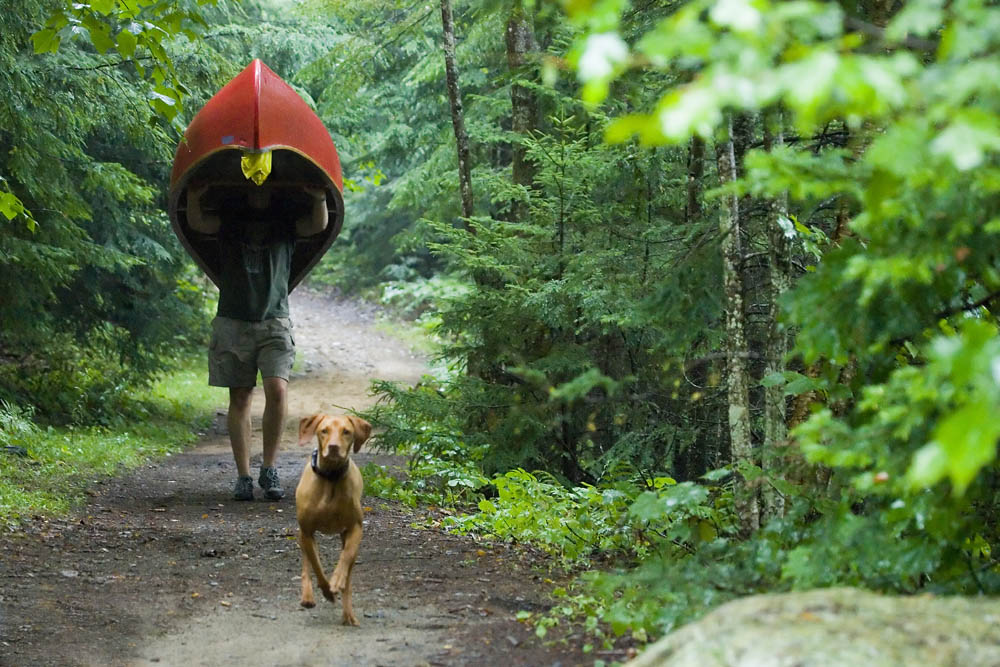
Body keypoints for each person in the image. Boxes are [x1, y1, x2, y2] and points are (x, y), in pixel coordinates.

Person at [186, 182, 328, 500]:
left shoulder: (285, 224)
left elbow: (318, 224)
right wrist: (194, 194)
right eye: (253, 185)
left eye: (266, 185)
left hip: (274, 321)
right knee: (240, 398)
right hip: (233, 322)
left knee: (277, 390)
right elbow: (198, 223)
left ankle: (270, 468)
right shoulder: (230, 221)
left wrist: (319, 195)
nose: (260, 191)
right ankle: (244, 476)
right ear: (244, 189)